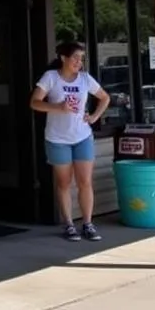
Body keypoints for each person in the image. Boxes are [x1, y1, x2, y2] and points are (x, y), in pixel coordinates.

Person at [30, 40, 111, 241]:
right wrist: (59, 107)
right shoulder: (51, 77)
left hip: (82, 136)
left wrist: (93, 117)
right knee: (64, 182)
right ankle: (68, 224)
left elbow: (105, 97)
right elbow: (34, 102)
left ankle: (88, 223)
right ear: (63, 58)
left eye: (81, 58)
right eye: (75, 57)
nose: (78, 62)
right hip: (57, 138)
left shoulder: (84, 79)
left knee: (84, 181)